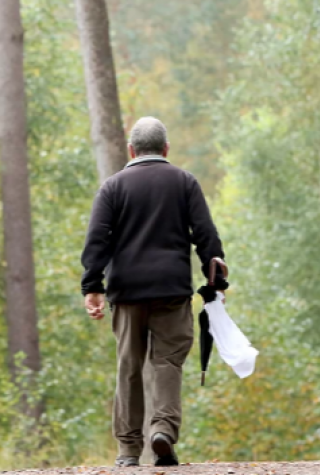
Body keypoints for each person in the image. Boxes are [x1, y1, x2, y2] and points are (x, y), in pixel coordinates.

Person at [80, 117, 226, 468]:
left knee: (129, 365)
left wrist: (93, 286)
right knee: (168, 361)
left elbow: (97, 239)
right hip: (171, 288)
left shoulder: (113, 187)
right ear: (166, 149)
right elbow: (205, 235)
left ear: (131, 150)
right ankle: (163, 429)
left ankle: (128, 450)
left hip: (127, 291)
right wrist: (216, 281)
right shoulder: (184, 182)